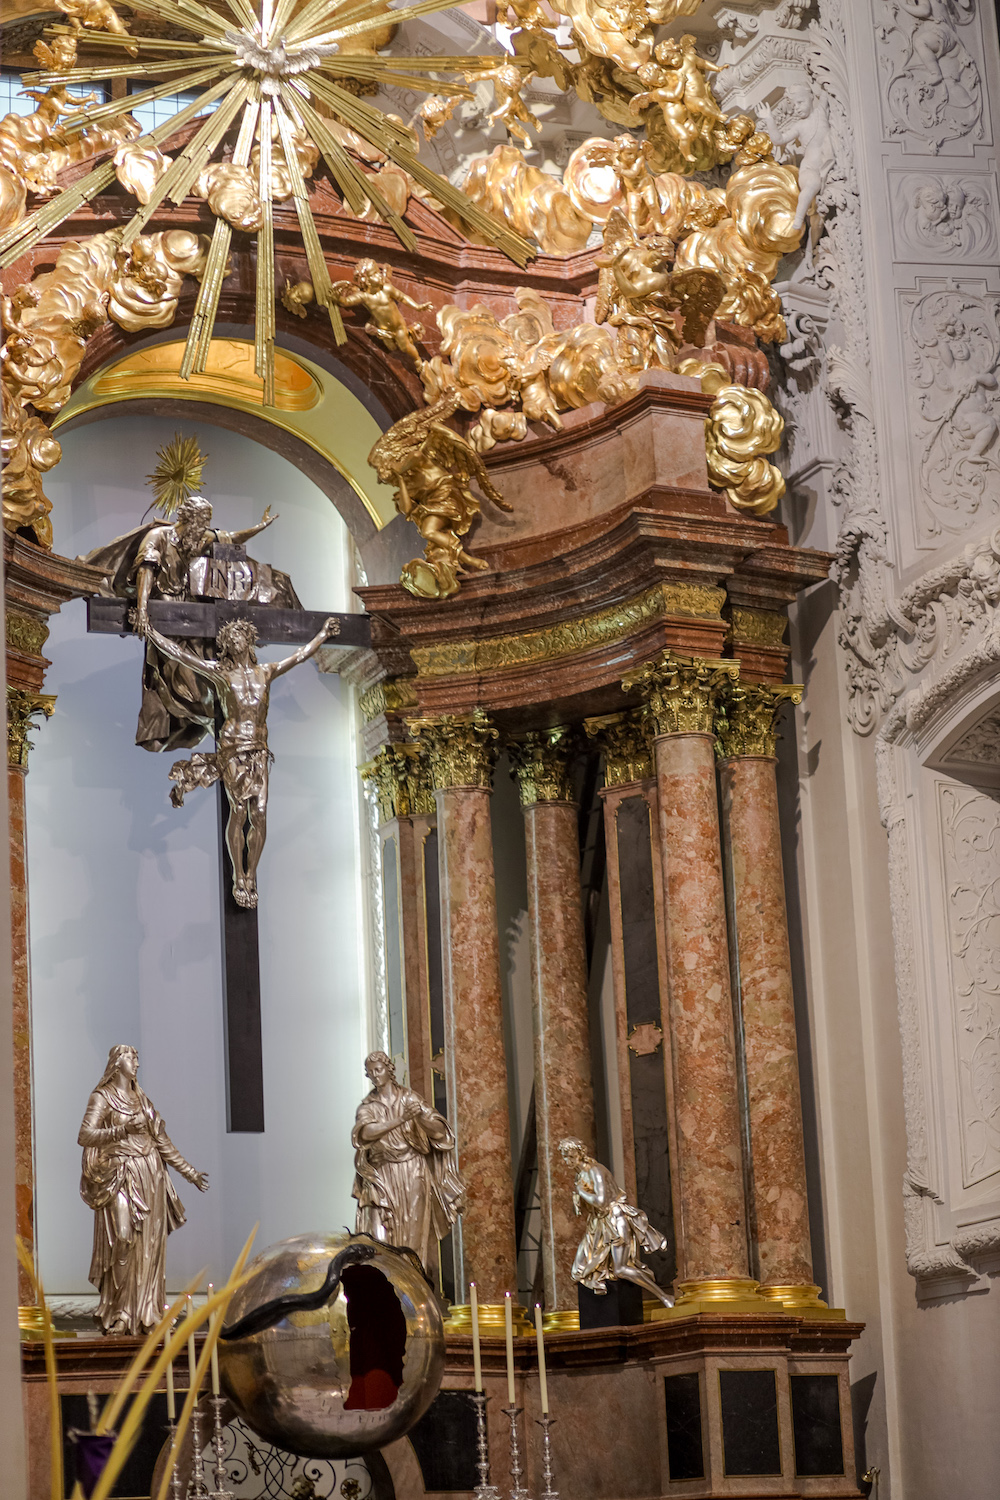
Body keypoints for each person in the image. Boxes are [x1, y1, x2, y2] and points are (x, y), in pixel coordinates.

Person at [146, 614, 338, 909]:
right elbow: (181, 655)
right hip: (234, 750)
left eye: (237, 635)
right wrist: (150, 631)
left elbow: (299, 656)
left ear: (249, 639)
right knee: (238, 810)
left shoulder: (267, 671)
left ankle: (251, 874)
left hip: (260, 750)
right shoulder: (222, 675)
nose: (233, 640)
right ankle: (238, 875)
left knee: (259, 812)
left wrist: (323, 634)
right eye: (228, 639)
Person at [78, 1044, 208, 1335]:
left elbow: (163, 1142)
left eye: (137, 1057)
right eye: (130, 1056)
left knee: (148, 1248)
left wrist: (191, 1173)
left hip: (151, 1176)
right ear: (116, 1062)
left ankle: (142, 1312)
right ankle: (119, 1310)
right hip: (120, 1174)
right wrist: (123, 1131)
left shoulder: (142, 1100)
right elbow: (85, 1135)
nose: (136, 1061)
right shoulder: (102, 1097)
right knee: (123, 1238)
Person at [352, 1051, 465, 1274]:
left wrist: (420, 1118)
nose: (374, 1075)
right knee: (377, 1239)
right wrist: (400, 1120)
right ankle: (382, 1292)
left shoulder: (410, 1099)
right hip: (381, 1174)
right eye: (370, 1072)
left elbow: (441, 1132)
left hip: (412, 1171)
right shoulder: (367, 1106)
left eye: (378, 1069)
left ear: (389, 1069)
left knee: (412, 1238)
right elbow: (365, 1134)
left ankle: (413, 1293)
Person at [558, 1136, 673, 1307]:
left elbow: (602, 1202)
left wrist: (581, 1192)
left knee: (620, 1268)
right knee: (579, 1269)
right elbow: (588, 1207)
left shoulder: (595, 1171)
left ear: (580, 1154)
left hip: (615, 1219)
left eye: (571, 1156)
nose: (568, 1161)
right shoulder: (580, 1175)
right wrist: (579, 1201)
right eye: (565, 1156)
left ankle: (663, 1296)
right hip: (598, 1224)